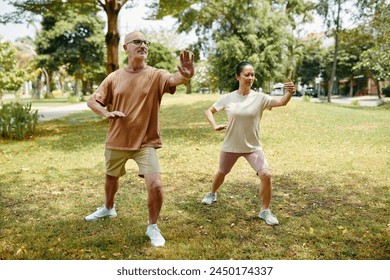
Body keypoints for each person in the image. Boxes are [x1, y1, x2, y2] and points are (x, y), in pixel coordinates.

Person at [84, 31, 194, 247]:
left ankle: (152, 226)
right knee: (111, 178)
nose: (143, 45)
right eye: (137, 42)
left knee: (156, 186)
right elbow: (92, 101)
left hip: (145, 142)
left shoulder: (155, 74)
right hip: (117, 139)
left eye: (146, 42)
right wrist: (106, 113)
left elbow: (174, 79)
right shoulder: (114, 77)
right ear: (126, 47)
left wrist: (186, 76)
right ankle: (108, 208)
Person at [201, 61, 295, 226]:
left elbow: (281, 102)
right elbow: (209, 110)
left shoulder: (260, 98)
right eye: (246, 74)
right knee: (222, 172)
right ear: (238, 76)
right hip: (231, 145)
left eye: (252, 74)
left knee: (266, 174)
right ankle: (212, 193)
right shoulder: (228, 98)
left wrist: (290, 93)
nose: (250, 77)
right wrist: (215, 125)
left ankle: (265, 210)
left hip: (252, 148)